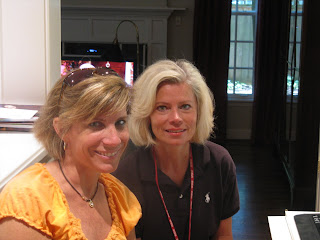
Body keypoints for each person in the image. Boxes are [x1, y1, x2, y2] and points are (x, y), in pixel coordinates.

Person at [0, 67, 141, 240]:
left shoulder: (119, 197)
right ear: (61, 129)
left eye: (120, 122)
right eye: (96, 124)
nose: (114, 140)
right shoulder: (27, 200)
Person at [113, 59, 240, 240]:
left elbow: (224, 236)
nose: (176, 118)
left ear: (199, 111)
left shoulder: (219, 162)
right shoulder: (126, 173)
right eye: (162, 108)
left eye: (185, 106)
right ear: (146, 115)